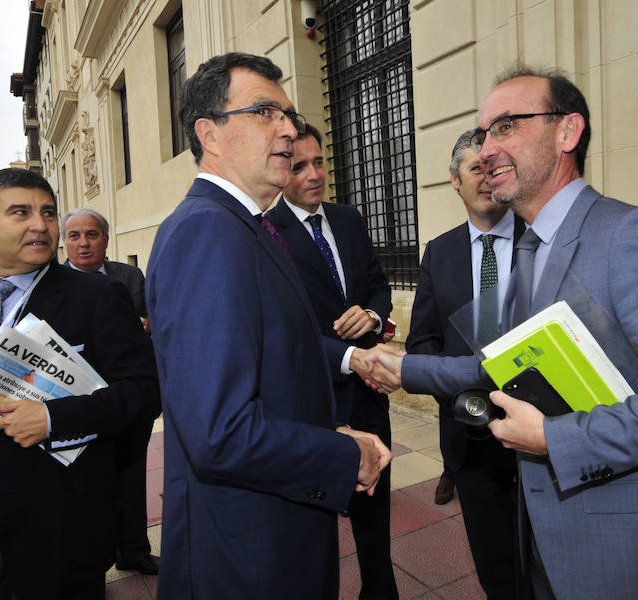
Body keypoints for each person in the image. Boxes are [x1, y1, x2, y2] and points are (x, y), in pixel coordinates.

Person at [364, 68, 638, 599]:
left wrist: (554, 439)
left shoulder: (635, 233)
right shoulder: (530, 250)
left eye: (504, 127)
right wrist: (401, 365)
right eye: (483, 134)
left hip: (628, 544)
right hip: (544, 531)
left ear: (567, 133)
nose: (487, 149)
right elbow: (502, 366)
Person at [145, 52, 391, 599]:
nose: (288, 129)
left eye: (289, 114)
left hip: (275, 529)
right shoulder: (206, 234)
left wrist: (330, 428)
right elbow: (220, 433)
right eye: (265, 112)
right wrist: (345, 455)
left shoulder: (248, 227)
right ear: (209, 133)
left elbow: (276, 367)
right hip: (247, 555)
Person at [0, 168, 160, 599]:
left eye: (48, 213)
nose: (40, 225)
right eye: (20, 212)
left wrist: (53, 417)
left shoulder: (95, 298)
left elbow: (144, 391)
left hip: (57, 524)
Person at [267, 124, 398, 600]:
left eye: (319, 162)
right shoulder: (267, 233)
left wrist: (371, 313)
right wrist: (349, 356)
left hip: (367, 397)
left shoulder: (348, 219)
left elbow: (378, 284)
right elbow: (283, 329)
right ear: (281, 171)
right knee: (314, 519)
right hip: (312, 397)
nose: (314, 174)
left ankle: (380, 591)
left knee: (374, 511)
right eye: (299, 165)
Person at [405, 128, 523, 599]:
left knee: (545, 558)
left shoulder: (541, 242)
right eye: (477, 168)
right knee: (494, 560)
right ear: (455, 180)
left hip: (540, 430)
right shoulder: (440, 251)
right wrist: (460, 399)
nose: (488, 177)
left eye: (496, 167)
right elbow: (423, 340)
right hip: (469, 434)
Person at [61, 207, 160, 575]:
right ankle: (91, 563)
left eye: (92, 234)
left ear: (105, 239)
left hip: (129, 399)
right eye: (74, 236)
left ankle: (133, 551)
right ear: (64, 242)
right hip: (80, 403)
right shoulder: (51, 285)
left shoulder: (129, 276)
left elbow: (158, 317)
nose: (83, 243)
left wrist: (147, 323)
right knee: (86, 486)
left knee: (132, 477)